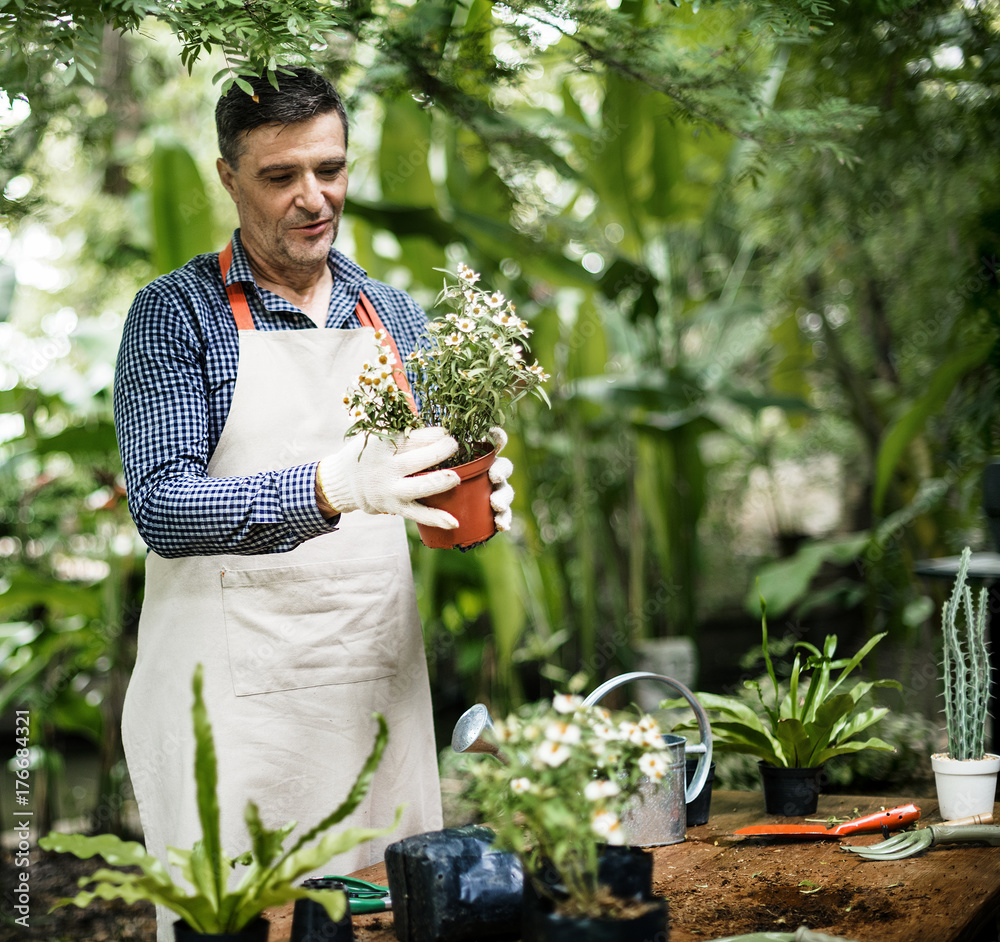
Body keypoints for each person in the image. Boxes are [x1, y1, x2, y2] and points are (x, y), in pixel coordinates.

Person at [113, 66, 514, 940]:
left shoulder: (395, 317)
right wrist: (333, 486)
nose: (313, 198)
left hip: (375, 695)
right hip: (229, 716)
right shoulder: (176, 316)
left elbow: (433, 479)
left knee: (390, 916)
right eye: (280, 176)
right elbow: (164, 507)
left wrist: (475, 495)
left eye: (329, 170)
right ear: (228, 177)